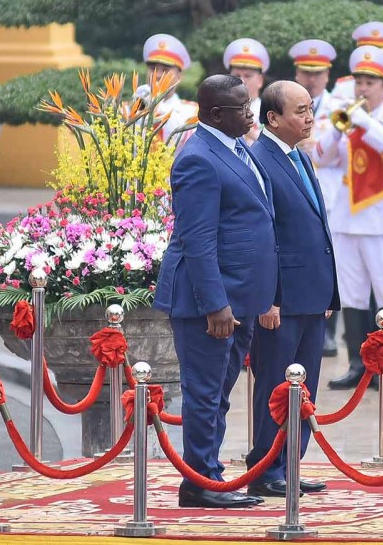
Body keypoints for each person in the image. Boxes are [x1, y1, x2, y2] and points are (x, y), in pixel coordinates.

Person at [154, 75, 276, 509]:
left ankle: (208, 474)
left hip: (241, 297)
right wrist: (216, 305)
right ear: (215, 114)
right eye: (242, 108)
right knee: (205, 394)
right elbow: (197, 239)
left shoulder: (235, 145)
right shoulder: (198, 159)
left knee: (219, 393)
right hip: (209, 302)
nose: (250, 113)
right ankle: (201, 482)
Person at [245, 81, 337, 498]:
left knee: (304, 385)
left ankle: (290, 464)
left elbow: (313, 225)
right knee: (274, 384)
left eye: (311, 108)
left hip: (311, 293)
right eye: (300, 110)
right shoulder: (259, 159)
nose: (309, 117)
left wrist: (328, 291)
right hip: (281, 298)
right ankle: (266, 465)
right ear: (273, 119)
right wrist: (269, 297)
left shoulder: (299, 156)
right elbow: (264, 237)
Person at [314, 46, 383, 388]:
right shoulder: (346, 119)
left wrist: (365, 123)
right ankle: (357, 365)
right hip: (347, 219)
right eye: (359, 81)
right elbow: (321, 158)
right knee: (353, 296)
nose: (362, 88)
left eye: (370, 82)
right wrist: (336, 131)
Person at [288, 39, 341, 357]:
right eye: (306, 72)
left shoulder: (339, 108)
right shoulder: (282, 105)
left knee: (329, 261)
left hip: (331, 191)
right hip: (296, 190)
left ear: (328, 75)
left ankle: (329, 331)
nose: (311, 79)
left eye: (317, 73)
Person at [142, 33, 198, 146]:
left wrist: (156, 106)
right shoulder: (129, 108)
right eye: (153, 68)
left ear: (179, 77)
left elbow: (187, 140)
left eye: (165, 70)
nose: (157, 75)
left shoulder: (192, 111)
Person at [223, 38, 269, 143]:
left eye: (248, 76)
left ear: (260, 80)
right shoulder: (221, 113)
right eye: (237, 76)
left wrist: (251, 133)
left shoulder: (270, 114)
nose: (242, 81)